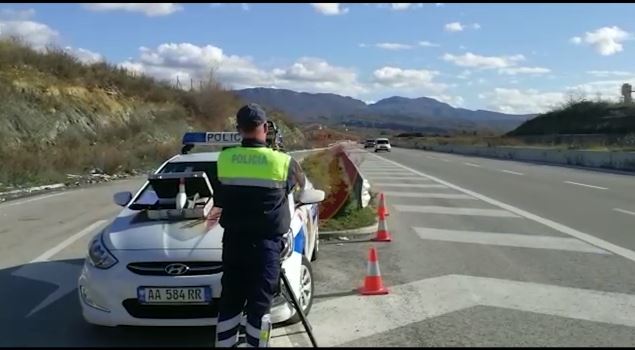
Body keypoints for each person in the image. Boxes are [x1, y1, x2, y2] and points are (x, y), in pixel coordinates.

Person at [213, 103, 304, 348]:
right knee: (259, 306)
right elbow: (298, 188)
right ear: (265, 127)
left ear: (239, 129)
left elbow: (219, 199)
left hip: (233, 242)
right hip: (265, 247)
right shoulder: (283, 162)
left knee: (230, 302)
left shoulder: (225, 158)